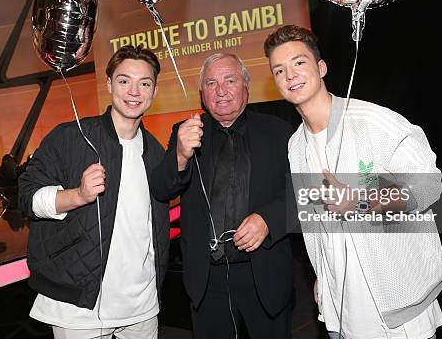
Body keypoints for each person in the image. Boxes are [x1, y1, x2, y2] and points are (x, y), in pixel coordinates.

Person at [265, 25, 442, 339]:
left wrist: (363, 201)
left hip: (397, 305)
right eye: (279, 70)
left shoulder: (371, 122)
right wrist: (322, 274)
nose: (290, 75)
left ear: (321, 68)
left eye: (299, 63)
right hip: (340, 308)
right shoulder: (296, 147)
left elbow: (430, 185)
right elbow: (315, 222)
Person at [19, 45, 169, 339]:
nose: (134, 91)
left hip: (143, 305)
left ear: (154, 90)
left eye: (144, 83)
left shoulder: (156, 151)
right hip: (79, 307)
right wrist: (78, 196)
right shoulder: (70, 137)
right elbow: (28, 198)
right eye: (124, 80)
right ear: (110, 84)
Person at [150, 53, 294, 338]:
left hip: (265, 276)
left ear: (246, 86)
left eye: (230, 80)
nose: (221, 90)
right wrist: (180, 155)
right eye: (211, 83)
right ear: (203, 94)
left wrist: (269, 219)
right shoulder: (185, 132)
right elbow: (161, 189)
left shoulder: (280, 133)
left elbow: (303, 195)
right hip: (207, 281)